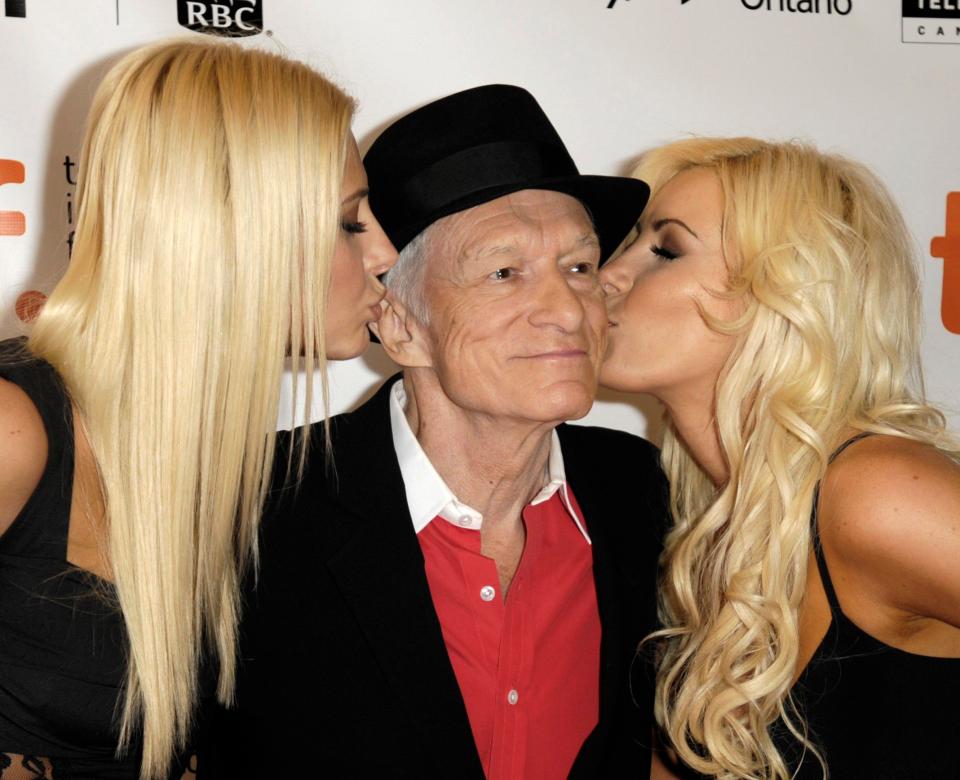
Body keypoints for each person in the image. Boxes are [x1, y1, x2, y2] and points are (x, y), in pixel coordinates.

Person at [212, 84, 669, 779]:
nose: (566, 310)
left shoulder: (641, 491)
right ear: (400, 325)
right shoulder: (255, 511)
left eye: (579, 267)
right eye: (505, 272)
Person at [0, 40, 396, 780]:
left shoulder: (225, 461)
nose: (384, 252)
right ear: (235, 231)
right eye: (349, 222)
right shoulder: (13, 428)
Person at [599, 136, 960, 779]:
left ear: (780, 293)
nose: (607, 275)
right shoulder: (697, 526)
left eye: (666, 250)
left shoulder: (870, 494)